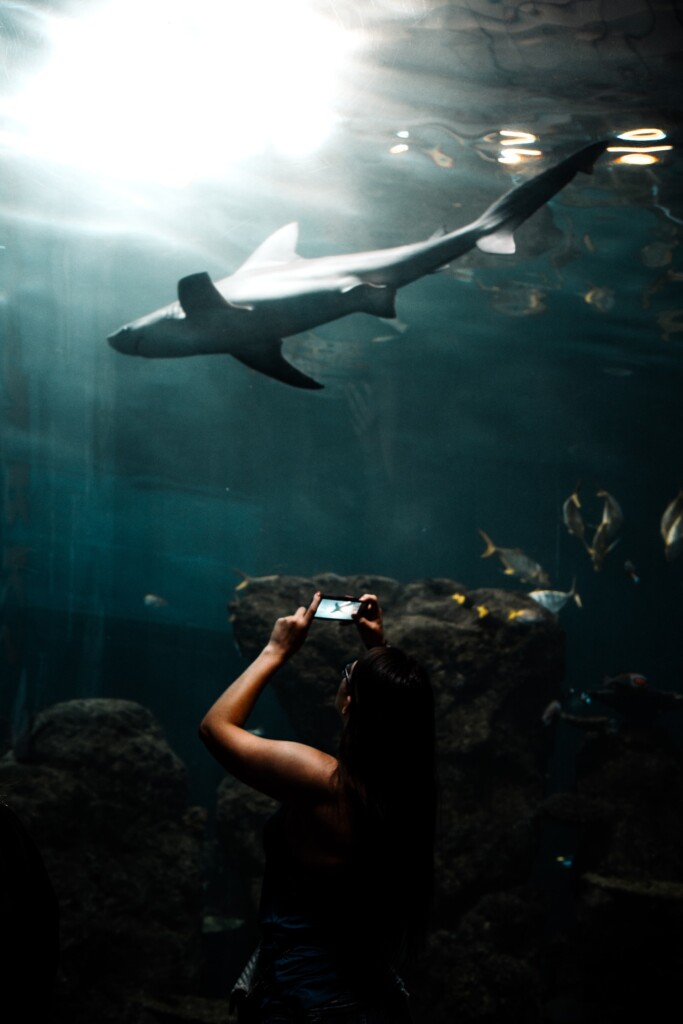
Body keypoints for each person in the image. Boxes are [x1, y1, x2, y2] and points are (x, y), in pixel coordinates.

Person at [199, 591, 437, 1023]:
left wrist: (277, 650)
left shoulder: (323, 782)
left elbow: (215, 728)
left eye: (349, 675)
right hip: (370, 995)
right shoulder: (410, 792)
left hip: (305, 999)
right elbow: (399, 713)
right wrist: (377, 651)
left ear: (350, 703)